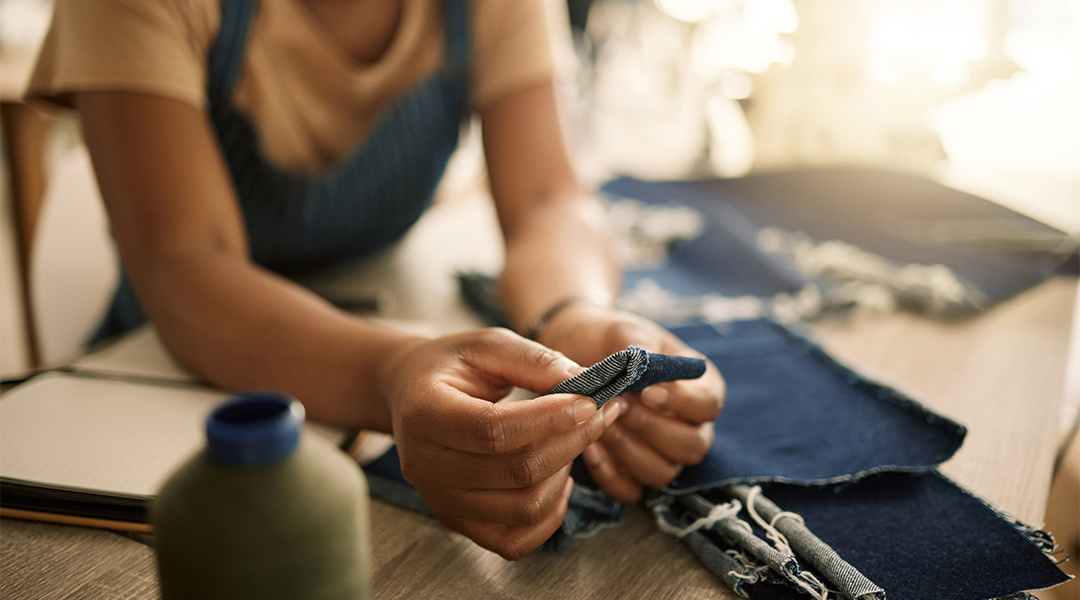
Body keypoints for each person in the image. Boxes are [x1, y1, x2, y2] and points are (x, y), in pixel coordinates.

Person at [27, 0, 725, 559]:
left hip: (382, 339)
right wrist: (392, 374)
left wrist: (572, 315)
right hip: (171, 381)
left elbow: (548, 197)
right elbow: (189, 268)